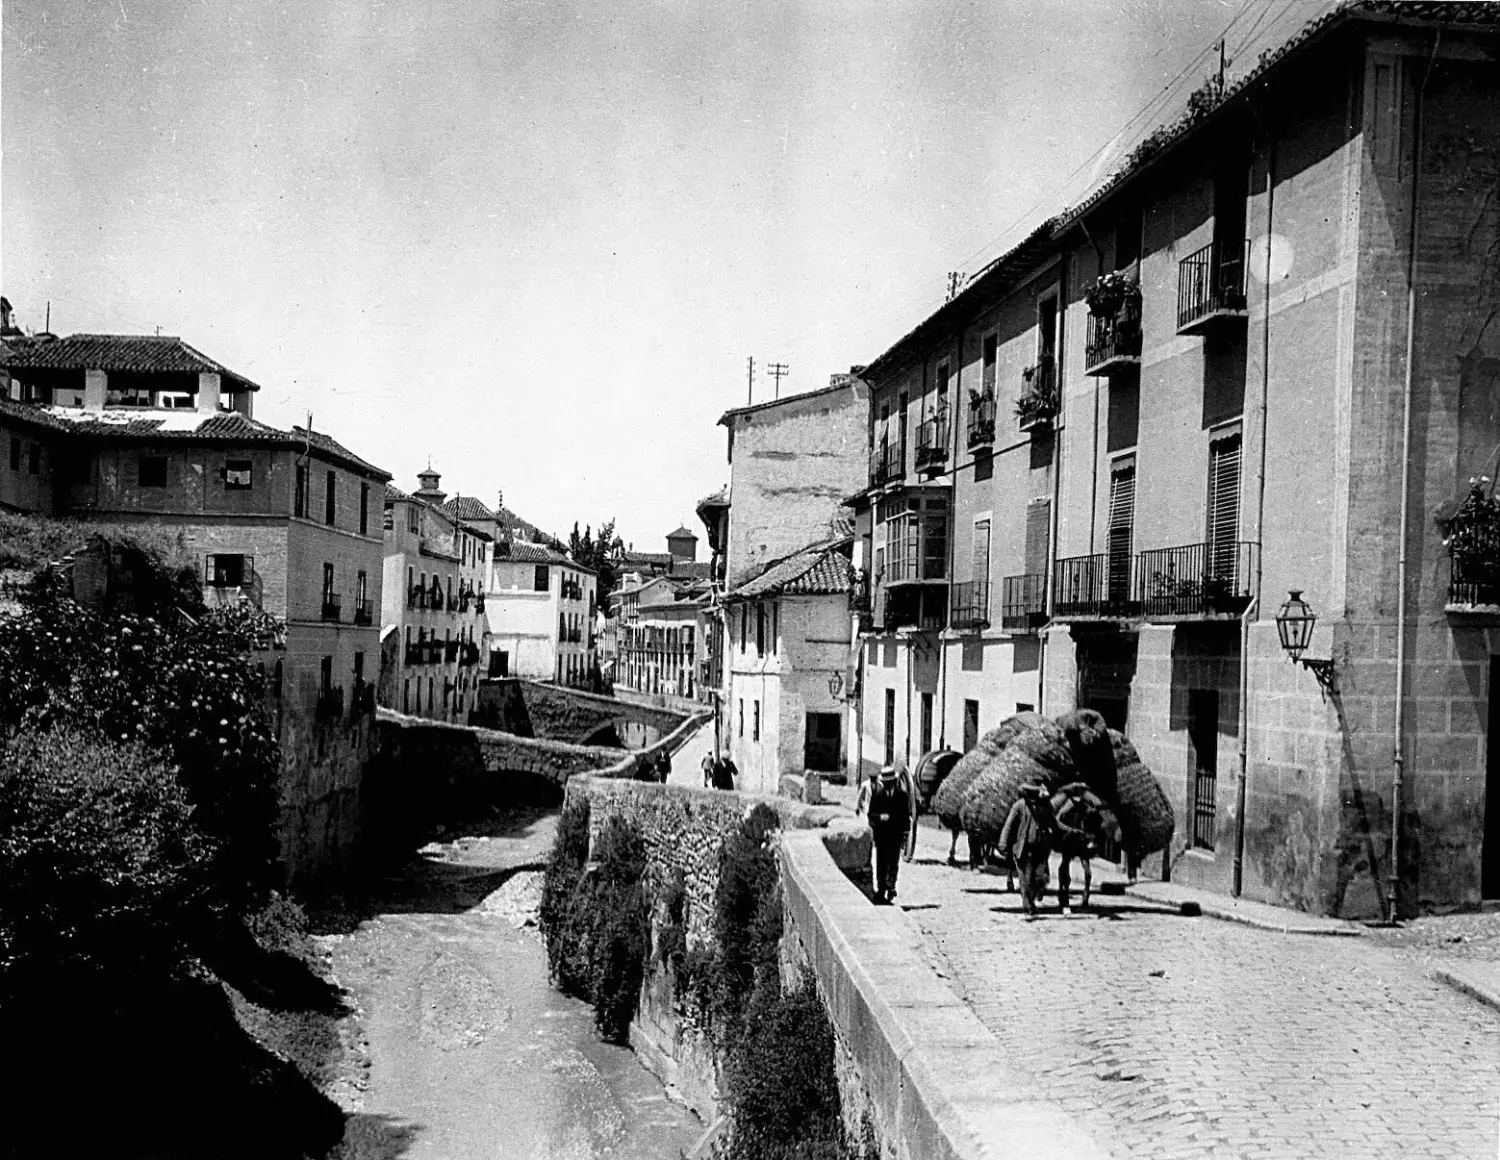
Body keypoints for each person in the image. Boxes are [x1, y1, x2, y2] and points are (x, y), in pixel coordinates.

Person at [998, 781, 1058, 920]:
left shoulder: (1045, 806)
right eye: (1029, 793)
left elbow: (1054, 823)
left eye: (1034, 793)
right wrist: (1003, 843)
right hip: (1023, 850)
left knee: (1040, 878)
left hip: (1040, 849)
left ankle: (1031, 901)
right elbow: (1009, 824)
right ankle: (1029, 908)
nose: (1031, 796)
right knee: (1025, 881)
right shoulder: (1019, 806)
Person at [861, 764, 912, 905]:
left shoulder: (902, 797)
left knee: (893, 863)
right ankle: (881, 890)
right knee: (881, 864)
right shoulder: (878, 796)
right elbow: (871, 815)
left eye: (891, 783)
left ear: (894, 782)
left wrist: (905, 834)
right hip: (882, 837)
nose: (889, 785)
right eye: (886, 783)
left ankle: (891, 886)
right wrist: (880, 817)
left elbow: (905, 817)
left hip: (895, 836)